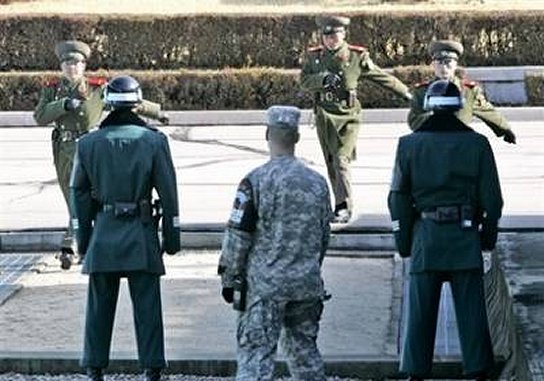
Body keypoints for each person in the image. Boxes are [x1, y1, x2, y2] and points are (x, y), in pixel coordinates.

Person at [388, 79, 503, 381]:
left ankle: (415, 371)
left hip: (426, 235)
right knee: (472, 312)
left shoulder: (409, 145)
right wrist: (487, 239)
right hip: (465, 237)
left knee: (421, 313)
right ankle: (478, 369)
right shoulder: (477, 144)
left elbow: (398, 198)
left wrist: (403, 242)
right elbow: (493, 200)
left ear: (427, 107)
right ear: (458, 107)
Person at [70, 75, 180, 381]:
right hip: (141, 231)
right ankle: (152, 366)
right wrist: (171, 239)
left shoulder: (88, 143)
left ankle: (94, 366)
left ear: (107, 103)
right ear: (137, 103)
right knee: (147, 304)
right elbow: (169, 195)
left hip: (104, 231)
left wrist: (84, 239)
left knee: (99, 305)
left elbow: (78, 192)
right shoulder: (154, 141)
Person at [218, 105, 332, 381]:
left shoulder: (255, 181)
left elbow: (238, 235)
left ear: (267, 134)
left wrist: (229, 276)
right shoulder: (317, 183)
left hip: (264, 288)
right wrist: (308, 268)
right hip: (305, 283)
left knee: (256, 357)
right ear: (296, 138)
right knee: (305, 355)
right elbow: (323, 236)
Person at [34, 40, 169, 270]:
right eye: (67, 63)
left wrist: (157, 112)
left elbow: (127, 98)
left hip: (91, 149)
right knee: (72, 196)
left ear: (84, 65)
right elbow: (40, 117)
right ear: (61, 66)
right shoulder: (52, 89)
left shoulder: (97, 89)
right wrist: (64, 105)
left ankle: (72, 245)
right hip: (64, 149)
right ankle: (81, 242)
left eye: (76, 63)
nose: (72, 68)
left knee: (87, 196)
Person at [300, 15, 412, 223]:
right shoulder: (314, 57)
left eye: (335, 36)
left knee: (341, 159)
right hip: (324, 115)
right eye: (326, 36)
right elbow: (304, 80)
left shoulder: (355, 57)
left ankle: (344, 206)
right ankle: (339, 202)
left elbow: (382, 77)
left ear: (343, 35)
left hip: (347, 116)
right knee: (332, 161)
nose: (330, 40)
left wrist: (408, 94)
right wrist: (322, 79)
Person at [408, 39, 516, 144]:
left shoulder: (468, 92)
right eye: (439, 62)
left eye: (448, 62)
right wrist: (435, 117)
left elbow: (487, 111)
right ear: (433, 65)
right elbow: (414, 121)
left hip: (459, 143)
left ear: (455, 64)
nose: (444, 68)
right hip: (431, 143)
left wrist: (505, 129)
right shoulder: (422, 92)